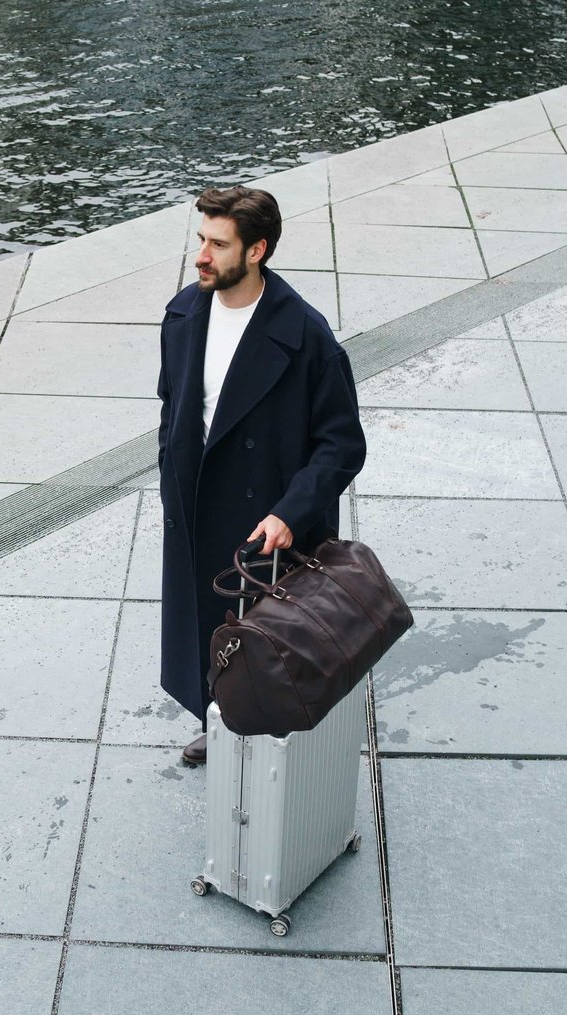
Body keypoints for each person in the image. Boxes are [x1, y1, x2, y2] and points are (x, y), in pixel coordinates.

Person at [157, 185, 366, 764]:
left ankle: (275, 741)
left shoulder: (305, 334)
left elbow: (342, 444)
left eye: (218, 245)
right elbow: (173, 406)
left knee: (271, 637)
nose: (201, 256)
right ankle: (219, 719)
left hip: (267, 518)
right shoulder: (184, 314)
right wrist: (170, 474)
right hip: (197, 501)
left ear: (256, 251)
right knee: (206, 624)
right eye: (202, 240)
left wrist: (289, 513)